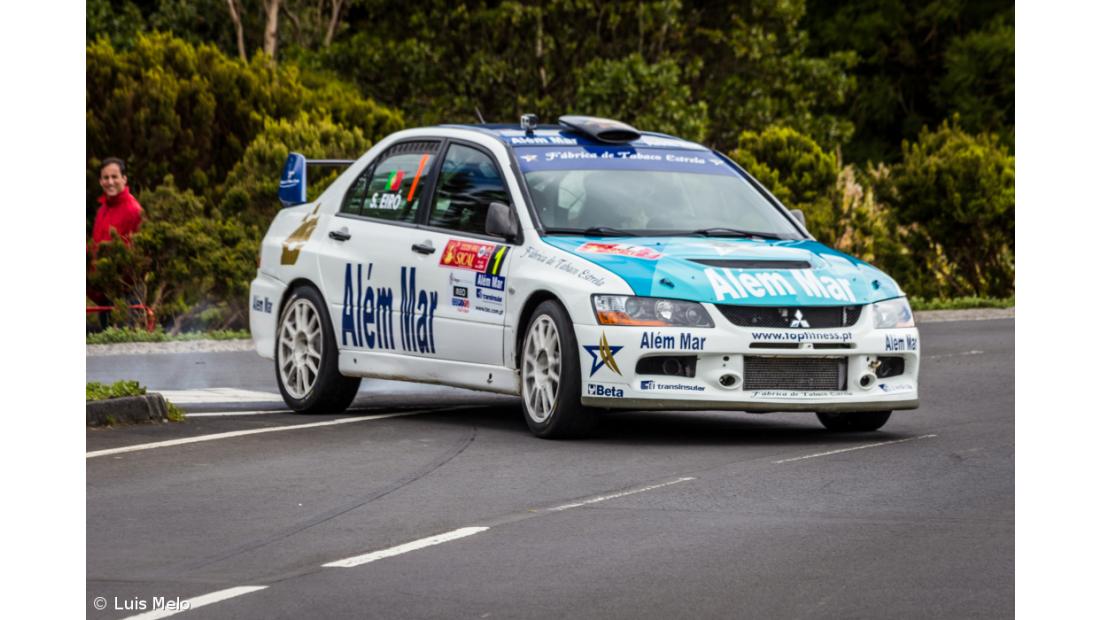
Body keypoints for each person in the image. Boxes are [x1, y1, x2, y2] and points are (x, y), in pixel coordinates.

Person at [89, 157, 143, 258]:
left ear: (124, 179)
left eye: (114, 177)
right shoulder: (102, 210)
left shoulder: (134, 211)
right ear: (100, 181)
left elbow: (135, 254)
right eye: (106, 178)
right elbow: (94, 246)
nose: (110, 182)